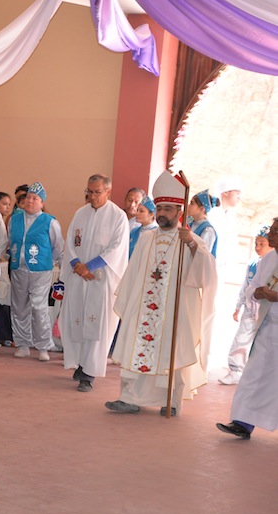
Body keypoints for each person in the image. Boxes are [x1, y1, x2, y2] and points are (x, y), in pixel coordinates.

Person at [106, 171, 217, 416]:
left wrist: (190, 244)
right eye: (160, 208)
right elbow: (133, 273)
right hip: (144, 307)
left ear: (179, 211)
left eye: (169, 208)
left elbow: (205, 275)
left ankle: (171, 401)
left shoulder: (192, 240)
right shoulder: (147, 238)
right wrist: (131, 304)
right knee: (138, 346)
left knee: (171, 351)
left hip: (174, 310)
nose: (163, 213)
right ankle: (129, 398)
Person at [59, 175, 130, 392]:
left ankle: (89, 374)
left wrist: (90, 266)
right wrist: (77, 264)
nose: (92, 196)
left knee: (98, 325)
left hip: (101, 279)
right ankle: (80, 364)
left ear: (108, 192)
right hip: (79, 276)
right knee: (77, 320)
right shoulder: (80, 213)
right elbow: (70, 242)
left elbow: (116, 249)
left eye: (97, 192)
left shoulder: (118, 217)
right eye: (89, 191)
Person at [215, 219, 278, 439]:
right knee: (253, 377)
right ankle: (243, 422)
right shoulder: (269, 258)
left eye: (275, 232)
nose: (270, 236)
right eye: (271, 231)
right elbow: (252, 288)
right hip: (268, 329)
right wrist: (259, 293)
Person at [8, 181, 63, 361]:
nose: (30, 201)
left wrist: (48, 261)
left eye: (35, 198)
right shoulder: (14, 219)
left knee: (39, 308)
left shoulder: (50, 221)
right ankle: (23, 343)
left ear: (42, 203)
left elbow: (58, 246)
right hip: (18, 269)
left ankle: (43, 346)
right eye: (28, 197)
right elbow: (11, 241)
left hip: (41, 271)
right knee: (19, 307)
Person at [219, 226, 271, 385]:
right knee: (241, 339)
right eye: (256, 243)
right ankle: (236, 370)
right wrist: (238, 306)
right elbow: (245, 286)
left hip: (266, 310)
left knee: (263, 343)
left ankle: (259, 374)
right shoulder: (254, 263)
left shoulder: (273, 265)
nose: (258, 247)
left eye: (262, 244)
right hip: (250, 308)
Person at [187, 189, 219, 257]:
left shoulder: (208, 230)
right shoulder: (190, 223)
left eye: (192, 203)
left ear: (202, 209)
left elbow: (203, 255)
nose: (188, 206)